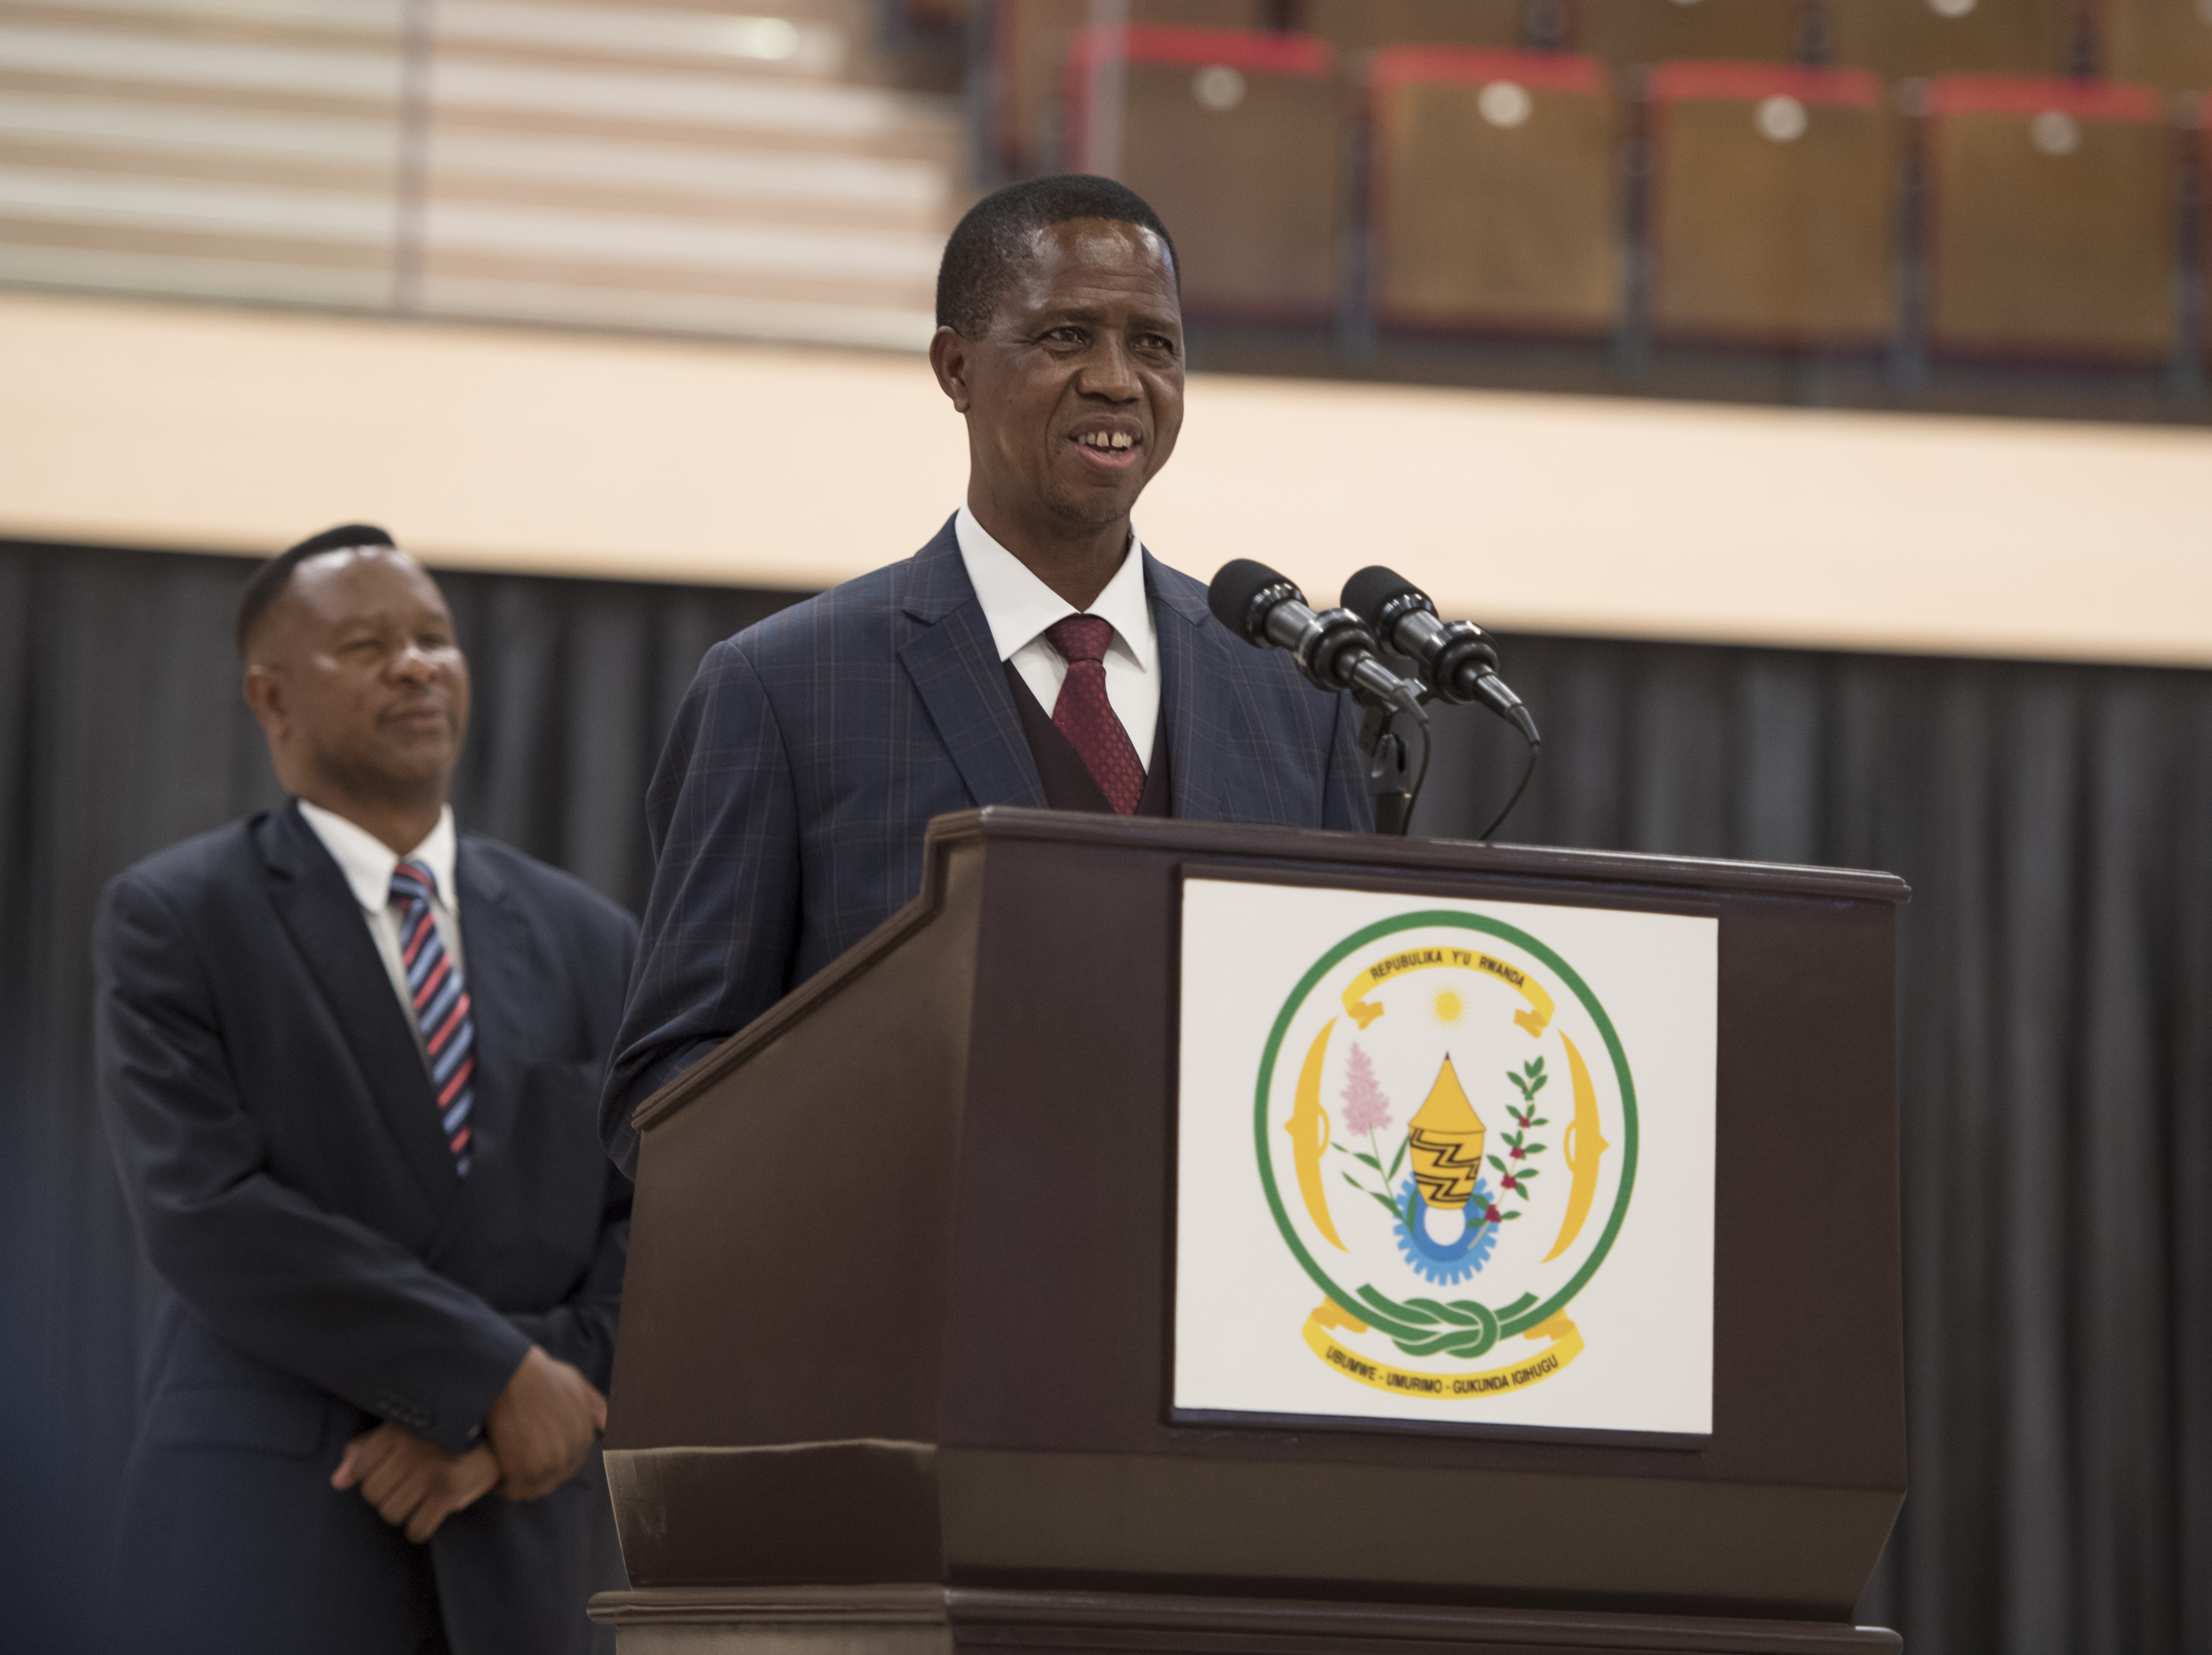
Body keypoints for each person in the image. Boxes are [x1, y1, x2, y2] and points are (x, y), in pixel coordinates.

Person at [601, 175, 1370, 1175]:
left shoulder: (1292, 692)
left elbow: (1352, 1041)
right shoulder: (782, 690)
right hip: (911, 1302)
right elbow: (664, 1092)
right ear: (953, 367)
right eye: (1064, 337)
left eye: (1155, 345)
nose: (1115, 381)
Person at [94, 525, 635, 1654]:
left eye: (435, 638)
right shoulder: (178, 917)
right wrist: (489, 1372)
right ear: (270, 695)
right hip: (271, 1533)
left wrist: (524, 1415)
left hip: (523, 1538)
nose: (415, 664)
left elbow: (658, 1221)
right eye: (366, 643)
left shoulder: (593, 938)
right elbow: (207, 1212)